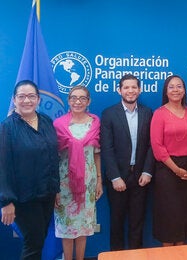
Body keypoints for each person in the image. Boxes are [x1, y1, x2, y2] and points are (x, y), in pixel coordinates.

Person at [0, 80, 60, 259]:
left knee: (39, 238)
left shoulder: (46, 122)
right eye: (22, 96)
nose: (27, 100)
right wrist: (6, 201)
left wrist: (55, 189)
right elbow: (3, 166)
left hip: (46, 194)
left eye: (31, 96)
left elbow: (53, 157)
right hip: (23, 197)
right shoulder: (7, 128)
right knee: (33, 242)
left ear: (38, 99)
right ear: (14, 99)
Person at [101, 74, 154, 250]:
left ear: (140, 90)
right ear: (119, 90)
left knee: (137, 224)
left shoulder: (148, 113)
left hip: (140, 178)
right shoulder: (109, 114)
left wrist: (147, 171)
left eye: (134, 87)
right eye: (126, 87)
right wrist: (115, 177)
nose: (130, 91)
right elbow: (106, 149)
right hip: (117, 179)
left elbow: (151, 146)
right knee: (116, 223)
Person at [150, 75, 187, 246]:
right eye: (171, 87)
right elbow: (158, 147)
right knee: (169, 217)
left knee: (184, 215)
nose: (175, 90)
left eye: (179, 86)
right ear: (166, 91)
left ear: (184, 90)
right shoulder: (159, 114)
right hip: (168, 170)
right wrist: (177, 170)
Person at [53, 86, 102, 260]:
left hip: (87, 183)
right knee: (67, 228)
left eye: (82, 98)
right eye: (74, 98)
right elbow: (53, 159)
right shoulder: (58, 125)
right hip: (64, 184)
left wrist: (99, 181)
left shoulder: (95, 124)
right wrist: (54, 188)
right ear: (68, 100)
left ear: (89, 101)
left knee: (83, 227)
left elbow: (96, 155)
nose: (78, 102)